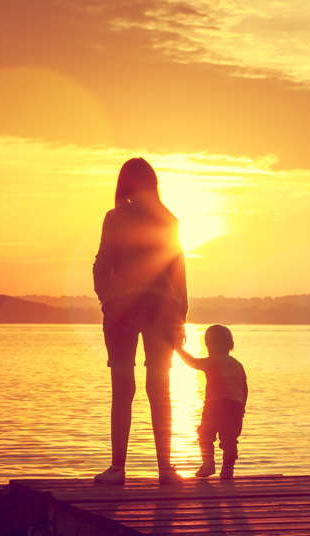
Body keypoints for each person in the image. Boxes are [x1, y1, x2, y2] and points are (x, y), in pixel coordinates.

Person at [92, 158, 188, 485]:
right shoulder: (168, 220)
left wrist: (105, 295)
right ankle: (165, 470)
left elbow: (102, 262)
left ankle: (118, 470)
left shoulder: (115, 218)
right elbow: (179, 272)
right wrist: (181, 316)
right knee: (158, 387)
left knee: (124, 389)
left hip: (125, 308)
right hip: (157, 309)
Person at [175, 324, 248, 479]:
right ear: (231, 345)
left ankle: (208, 463)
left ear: (208, 346)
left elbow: (192, 362)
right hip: (235, 406)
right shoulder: (238, 364)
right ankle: (228, 468)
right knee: (230, 439)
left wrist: (178, 349)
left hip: (215, 405)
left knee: (205, 434)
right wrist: (242, 406)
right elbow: (244, 386)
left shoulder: (212, 361)